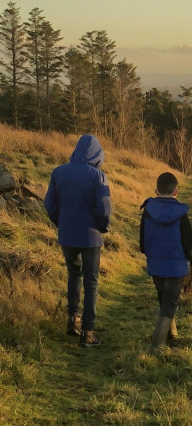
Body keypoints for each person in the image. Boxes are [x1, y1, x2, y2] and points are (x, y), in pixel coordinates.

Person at [44, 135, 112, 348]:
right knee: (91, 282)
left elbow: (50, 204)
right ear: (97, 154)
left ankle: (73, 320)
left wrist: (61, 223)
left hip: (67, 235)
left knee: (73, 274)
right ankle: (88, 332)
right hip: (91, 237)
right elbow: (104, 209)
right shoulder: (98, 176)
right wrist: (103, 227)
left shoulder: (58, 172)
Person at [140, 172, 192, 354]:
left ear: (156, 190)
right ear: (176, 191)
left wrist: (151, 254)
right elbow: (188, 242)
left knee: (164, 300)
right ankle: (156, 348)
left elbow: (142, 241)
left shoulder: (148, 211)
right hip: (176, 267)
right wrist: (188, 259)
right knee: (169, 304)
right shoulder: (181, 214)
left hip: (155, 265)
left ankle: (173, 335)